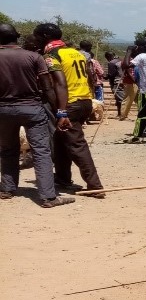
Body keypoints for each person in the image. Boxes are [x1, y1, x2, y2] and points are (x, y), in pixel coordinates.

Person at [0, 24, 74, 207]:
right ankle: (48, 197)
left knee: (8, 150)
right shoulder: (35, 57)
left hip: (3, 110)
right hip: (32, 109)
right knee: (41, 151)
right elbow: (48, 87)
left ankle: (7, 189)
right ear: (17, 37)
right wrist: (59, 111)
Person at [33, 22, 105, 196]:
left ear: (44, 37)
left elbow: (59, 83)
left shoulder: (51, 55)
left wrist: (61, 111)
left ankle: (95, 185)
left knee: (76, 144)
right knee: (60, 140)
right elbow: (90, 77)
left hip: (69, 104)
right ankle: (63, 179)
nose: (34, 40)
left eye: (36, 36)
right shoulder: (76, 53)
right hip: (85, 101)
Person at [105, 51, 124, 118]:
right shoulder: (121, 60)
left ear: (108, 57)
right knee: (120, 98)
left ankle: (121, 114)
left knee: (119, 99)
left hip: (116, 82)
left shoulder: (111, 63)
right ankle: (120, 113)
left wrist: (105, 77)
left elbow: (111, 75)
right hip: (123, 81)